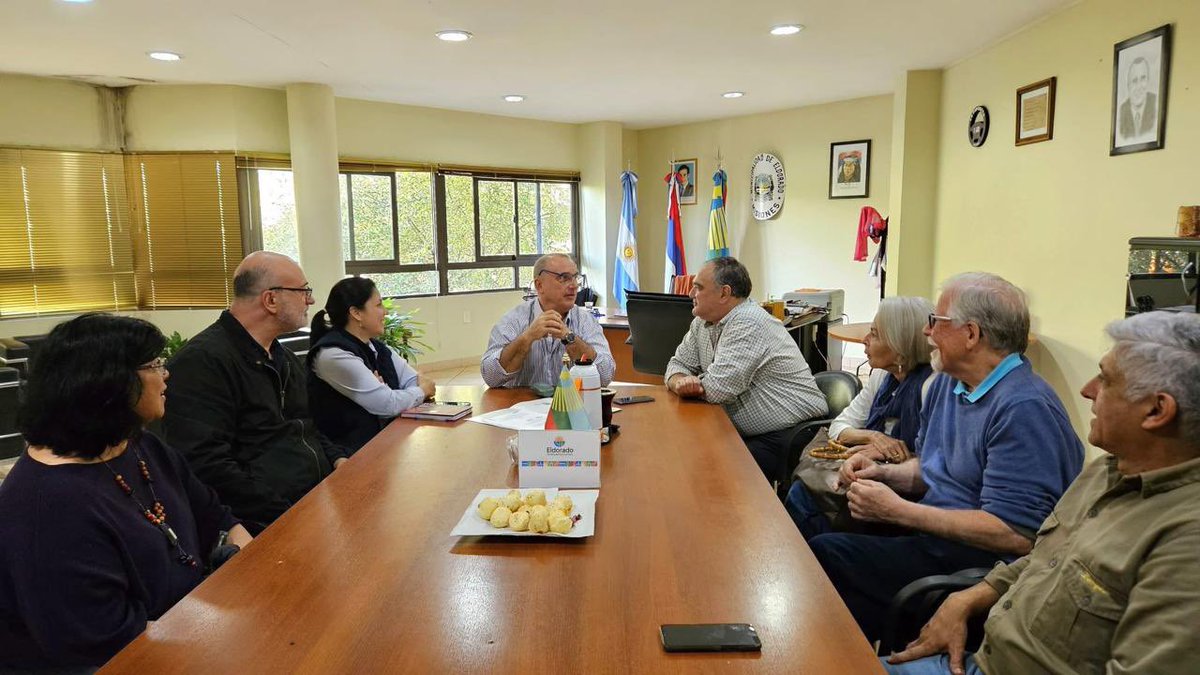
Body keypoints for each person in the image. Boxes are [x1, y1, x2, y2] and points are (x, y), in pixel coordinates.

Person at [884, 311, 1200, 675]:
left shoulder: (1184, 540)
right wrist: (971, 595)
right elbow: (1046, 556)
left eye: (1107, 380)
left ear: (1157, 410)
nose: (1087, 390)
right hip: (981, 656)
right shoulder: (1107, 470)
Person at [809, 272, 1083, 642]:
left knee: (826, 557)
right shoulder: (946, 384)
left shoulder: (1024, 408)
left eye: (935, 323)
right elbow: (933, 468)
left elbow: (1017, 535)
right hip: (935, 537)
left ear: (971, 335)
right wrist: (883, 475)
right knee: (818, 522)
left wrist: (899, 510)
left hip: (979, 565)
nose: (927, 333)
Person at [0, 314, 252, 669]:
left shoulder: (138, 445)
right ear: (109, 382)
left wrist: (258, 577)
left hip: (188, 630)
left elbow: (216, 515)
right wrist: (225, 631)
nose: (166, 375)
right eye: (154, 365)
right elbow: (101, 643)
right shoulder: (47, 505)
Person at [163, 251, 349, 534]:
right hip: (266, 522)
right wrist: (288, 513)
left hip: (316, 500)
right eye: (302, 291)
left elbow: (307, 427)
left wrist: (339, 460)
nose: (310, 300)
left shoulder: (281, 355)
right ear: (271, 300)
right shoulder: (202, 363)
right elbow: (207, 465)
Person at [785, 296, 936, 538]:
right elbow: (839, 426)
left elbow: (934, 463)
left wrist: (888, 454)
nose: (865, 340)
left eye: (874, 334)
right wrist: (872, 437)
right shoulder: (881, 377)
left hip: (903, 496)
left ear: (900, 351)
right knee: (803, 494)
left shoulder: (931, 387)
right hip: (872, 475)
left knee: (805, 501)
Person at [664, 256, 828, 480]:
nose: (691, 294)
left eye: (698, 288)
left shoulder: (748, 321)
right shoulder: (701, 322)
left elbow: (717, 389)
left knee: (709, 468)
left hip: (790, 434)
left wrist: (693, 382)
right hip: (748, 432)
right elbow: (676, 365)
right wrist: (679, 380)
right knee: (685, 454)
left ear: (724, 293)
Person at [307, 277, 436, 452]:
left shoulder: (376, 347)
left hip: (385, 444)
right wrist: (418, 392)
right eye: (378, 305)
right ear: (356, 313)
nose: (385, 312)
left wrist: (395, 395)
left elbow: (413, 381)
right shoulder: (333, 355)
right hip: (349, 455)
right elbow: (389, 405)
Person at [481, 253, 615, 388]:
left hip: (574, 405)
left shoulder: (586, 321)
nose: (574, 285)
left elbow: (605, 376)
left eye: (575, 278)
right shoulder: (514, 320)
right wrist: (527, 337)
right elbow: (491, 377)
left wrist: (570, 338)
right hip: (523, 405)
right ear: (539, 285)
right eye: (564, 278)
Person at [1117, 56, 1157, 142]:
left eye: (1143, 79)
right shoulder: (1122, 111)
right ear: (1128, 86)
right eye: (1134, 81)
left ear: (1148, 80)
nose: (1139, 86)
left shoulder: (1156, 103)